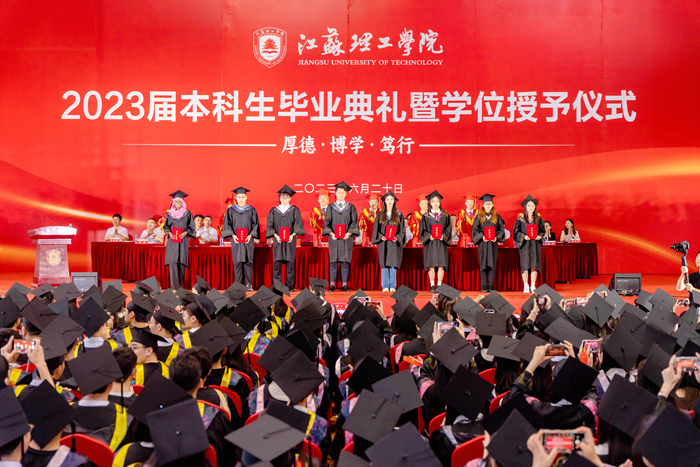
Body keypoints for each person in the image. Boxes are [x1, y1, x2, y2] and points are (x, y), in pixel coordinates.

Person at [322, 181, 360, 292]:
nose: (341, 194)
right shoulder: (331, 207)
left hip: (346, 239)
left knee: (345, 261)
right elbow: (327, 223)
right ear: (335, 193)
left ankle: (344, 285)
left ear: (346, 194)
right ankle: (332, 285)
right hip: (334, 238)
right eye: (339, 192)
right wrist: (331, 233)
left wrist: (349, 233)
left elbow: (354, 223)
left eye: (343, 192)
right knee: (333, 261)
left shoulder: (351, 207)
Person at [266, 185, 305, 290]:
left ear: (290, 198)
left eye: (286, 197)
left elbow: (298, 224)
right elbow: (270, 225)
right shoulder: (274, 211)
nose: (284, 199)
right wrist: (275, 235)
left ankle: (289, 286)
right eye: (282, 197)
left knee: (290, 264)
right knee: (277, 265)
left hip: (290, 241)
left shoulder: (294, 210)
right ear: (279, 198)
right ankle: (278, 286)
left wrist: (292, 235)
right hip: (278, 241)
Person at [222, 187, 260, 291]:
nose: (241, 199)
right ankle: (238, 285)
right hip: (236, 240)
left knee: (248, 261)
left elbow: (255, 224)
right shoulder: (231, 210)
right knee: (237, 262)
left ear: (246, 197)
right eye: (239, 197)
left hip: (248, 240)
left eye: (243, 197)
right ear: (236, 198)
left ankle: (248, 284)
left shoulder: (251, 210)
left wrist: (250, 235)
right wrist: (233, 235)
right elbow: (227, 224)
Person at [371, 191, 405, 293]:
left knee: (393, 263)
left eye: (391, 199)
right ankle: (385, 286)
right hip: (383, 243)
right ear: (384, 201)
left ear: (394, 201)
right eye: (387, 199)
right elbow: (376, 229)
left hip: (394, 243)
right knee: (384, 263)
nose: (389, 201)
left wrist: (397, 237)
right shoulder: (380, 215)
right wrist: (381, 237)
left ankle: (393, 286)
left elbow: (402, 230)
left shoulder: (399, 215)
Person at [419, 191, 451, 293]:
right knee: (431, 264)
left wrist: (443, 236)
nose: (436, 203)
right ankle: (432, 285)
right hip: (430, 243)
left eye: (437, 201)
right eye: (433, 201)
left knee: (441, 264)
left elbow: (448, 229)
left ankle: (439, 285)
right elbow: (422, 230)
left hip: (441, 243)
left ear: (440, 202)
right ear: (430, 203)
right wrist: (429, 236)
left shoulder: (445, 215)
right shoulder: (426, 216)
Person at [163, 190, 196, 290]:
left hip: (182, 240)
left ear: (183, 203)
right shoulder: (169, 214)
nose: (177, 203)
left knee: (182, 263)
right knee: (173, 263)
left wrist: (185, 233)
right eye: (176, 201)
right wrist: (169, 233)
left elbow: (192, 227)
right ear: (173, 202)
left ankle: (180, 287)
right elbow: (166, 227)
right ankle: (174, 288)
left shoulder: (187, 213)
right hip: (172, 241)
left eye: (180, 201)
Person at [472, 194, 505, 292]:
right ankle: (484, 286)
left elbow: (501, 230)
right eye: (486, 204)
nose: (488, 205)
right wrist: (482, 236)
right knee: (483, 265)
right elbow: (475, 231)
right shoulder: (478, 217)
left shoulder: (497, 217)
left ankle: (491, 285)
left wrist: (496, 237)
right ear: (483, 205)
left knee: (492, 264)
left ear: (493, 205)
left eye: (490, 203)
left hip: (492, 244)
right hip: (483, 244)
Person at [513, 195, 545, 293]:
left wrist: (540, 236)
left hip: (535, 245)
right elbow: (516, 232)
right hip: (525, 245)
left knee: (534, 265)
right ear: (525, 207)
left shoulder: (538, 219)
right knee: (525, 265)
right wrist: (523, 236)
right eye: (529, 205)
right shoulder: (520, 220)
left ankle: (533, 285)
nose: (531, 207)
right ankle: (526, 285)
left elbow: (542, 231)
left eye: (533, 205)